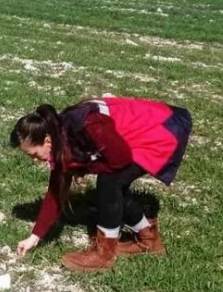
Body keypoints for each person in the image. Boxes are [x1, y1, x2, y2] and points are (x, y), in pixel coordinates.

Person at [11, 97, 192, 272]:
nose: (34, 160)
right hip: (150, 129)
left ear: (47, 141)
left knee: (110, 180)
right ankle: (149, 239)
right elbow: (56, 193)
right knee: (114, 182)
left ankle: (104, 254)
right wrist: (34, 237)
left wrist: (83, 168)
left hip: (164, 127)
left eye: (34, 154)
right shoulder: (59, 139)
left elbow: (121, 159)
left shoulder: (87, 125)